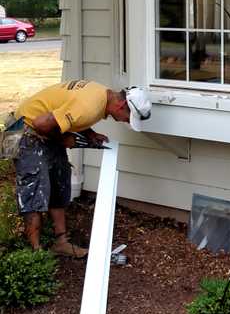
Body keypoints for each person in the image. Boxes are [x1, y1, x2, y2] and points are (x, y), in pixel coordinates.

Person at [14, 81, 151, 257]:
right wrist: (64, 139)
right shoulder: (90, 106)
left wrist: (90, 134)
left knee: (59, 184)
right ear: (122, 104)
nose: (125, 121)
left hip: (48, 130)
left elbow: (74, 112)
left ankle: (61, 243)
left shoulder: (102, 96)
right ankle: (35, 254)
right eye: (128, 117)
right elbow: (41, 123)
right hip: (29, 130)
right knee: (34, 192)